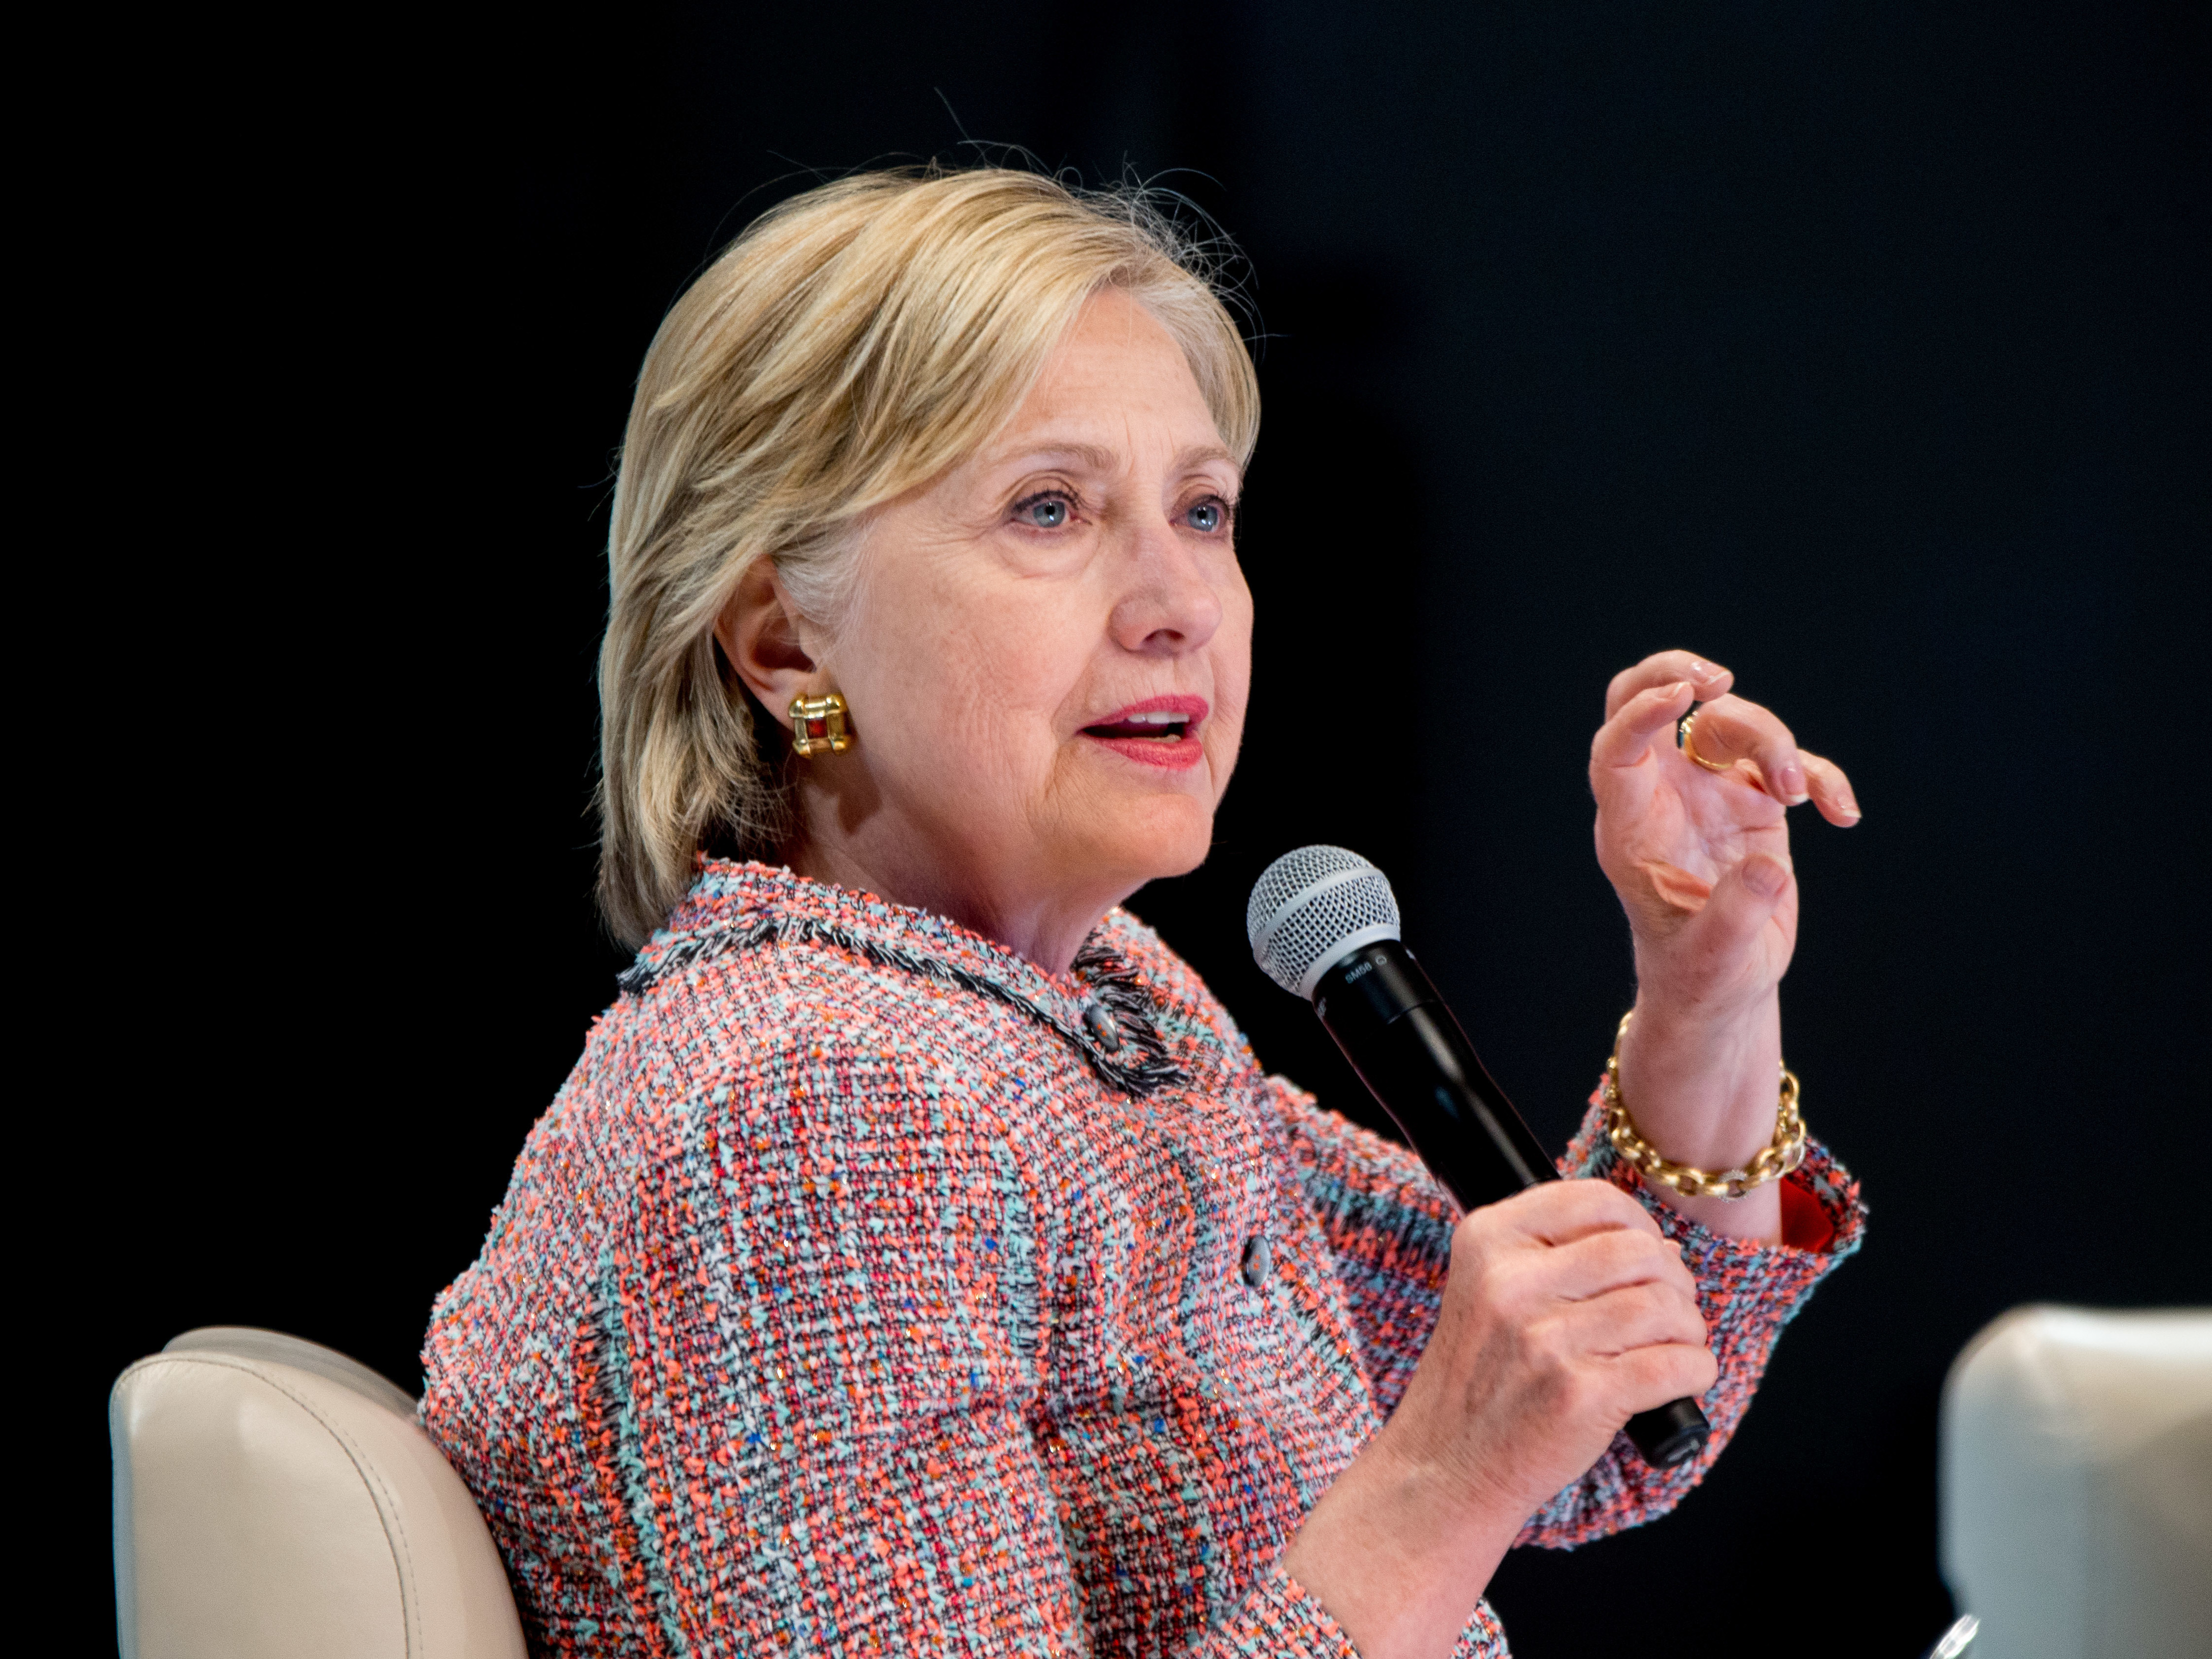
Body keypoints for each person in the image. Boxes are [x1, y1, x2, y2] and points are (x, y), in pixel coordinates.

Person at [422, 167, 1866, 1659]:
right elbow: (1478, 1446)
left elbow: (1601, 1409)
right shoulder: (812, 1110)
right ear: (788, 644)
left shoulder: (1096, 1016)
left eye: (1202, 509)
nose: (1176, 598)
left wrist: (1707, 992)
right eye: (1050, 509)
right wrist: (1439, 1483)